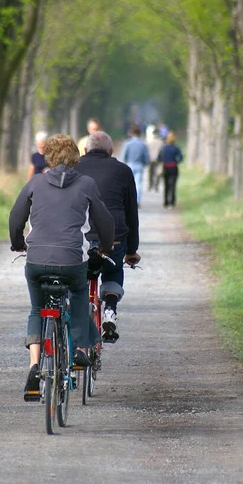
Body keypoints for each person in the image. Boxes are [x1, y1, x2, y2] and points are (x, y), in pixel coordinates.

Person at [9, 133, 114, 400]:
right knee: (79, 295)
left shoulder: (35, 182)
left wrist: (18, 243)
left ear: (49, 157)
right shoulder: (87, 184)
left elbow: (16, 217)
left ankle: (34, 367)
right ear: (76, 157)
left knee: (37, 307)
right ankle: (79, 349)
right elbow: (104, 222)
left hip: (36, 260)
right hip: (71, 259)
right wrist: (105, 247)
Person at [75, 130, 140, 342]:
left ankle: (80, 311)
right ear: (111, 151)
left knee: (79, 277)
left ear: (85, 150)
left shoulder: (74, 167)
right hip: (114, 238)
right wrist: (131, 250)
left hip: (81, 237)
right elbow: (131, 212)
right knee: (112, 272)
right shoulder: (123, 170)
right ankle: (110, 310)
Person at [120, 125, 150, 207]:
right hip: (139, 165)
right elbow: (146, 157)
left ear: (131, 133)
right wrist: (145, 164)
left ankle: (128, 201)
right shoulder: (143, 144)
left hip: (129, 164)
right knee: (138, 184)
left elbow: (123, 156)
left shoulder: (128, 143)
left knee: (128, 184)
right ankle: (137, 201)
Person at [158, 131, 183, 209]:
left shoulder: (163, 148)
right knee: (173, 185)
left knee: (166, 185)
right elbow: (180, 158)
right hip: (173, 168)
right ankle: (172, 202)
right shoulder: (176, 148)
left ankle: (165, 202)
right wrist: (176, 161)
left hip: (165, 168)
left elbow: (159, 158)